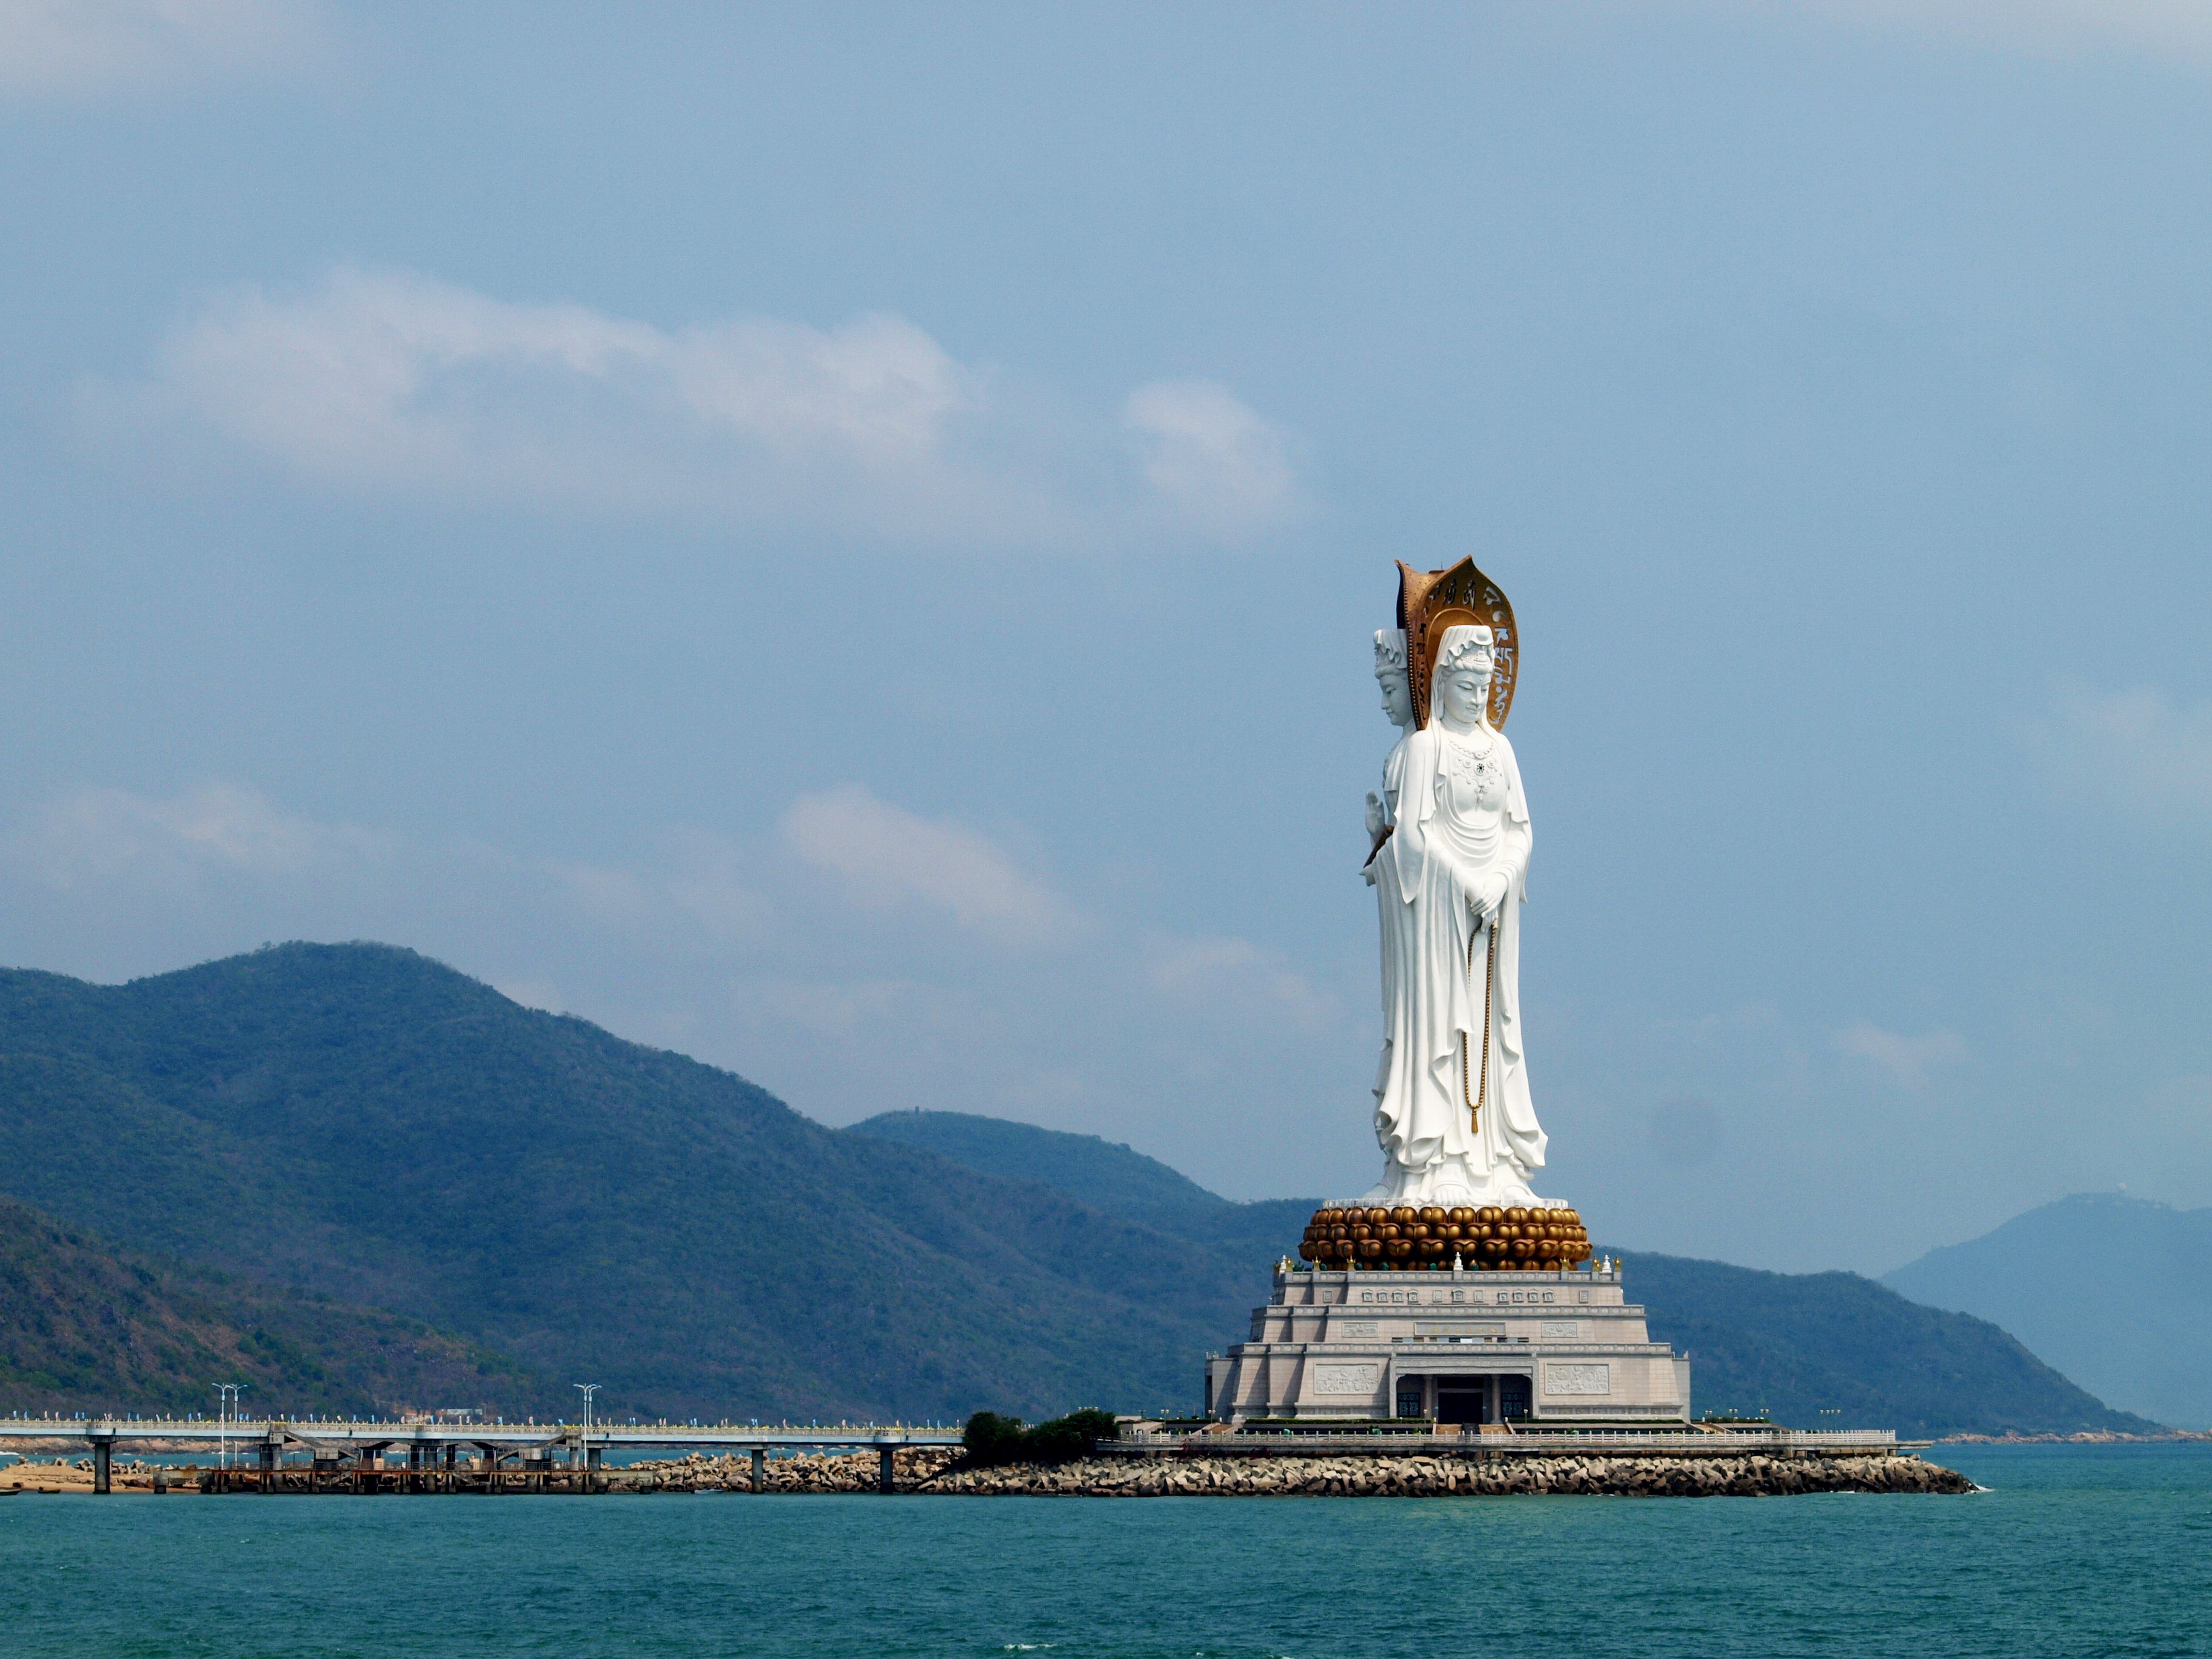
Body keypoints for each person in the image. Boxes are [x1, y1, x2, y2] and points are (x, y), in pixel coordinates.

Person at [1362, 622, 1548, 1206]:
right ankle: (1436, 1159)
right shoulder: (1425, 749)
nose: (1477, 697)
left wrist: (1499, 878)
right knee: (1439, 1024)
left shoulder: (1503, 751)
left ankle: (1493, 1162)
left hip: (1491, 915)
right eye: (1465, 685)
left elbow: (1520, 830)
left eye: (1485, 685)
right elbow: (1413, 838)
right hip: (1439, 913)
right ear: (1440, 682)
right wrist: (1467, 880)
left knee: (1493, 1030)